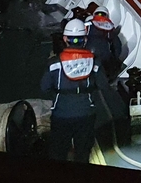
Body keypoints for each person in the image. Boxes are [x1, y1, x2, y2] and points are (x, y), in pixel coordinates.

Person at [41, 19, 99, 162]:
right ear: (84, 39)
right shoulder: (95, 62)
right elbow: (103, 85)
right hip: (86, 114)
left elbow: (44, 87)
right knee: (83, 154)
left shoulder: (54, 63)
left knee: (58, 154)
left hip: (61, 115)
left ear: (65, 38)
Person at [86, 7, 119, 77]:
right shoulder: (110, 28)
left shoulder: (87, 25)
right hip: (105, 56)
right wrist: (114, 59)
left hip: (88, 54)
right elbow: (117, 46)